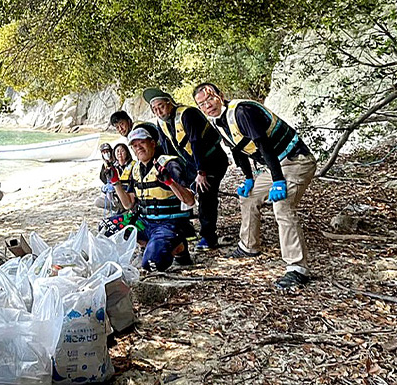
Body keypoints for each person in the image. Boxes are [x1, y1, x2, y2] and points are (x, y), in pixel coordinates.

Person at [193, 82, 317, 290]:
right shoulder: (217, 122)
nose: (208, 105)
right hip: (275, 165)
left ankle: (297, 268)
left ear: (221, 95)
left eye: (211, 98)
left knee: (282, 205)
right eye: (202, 104)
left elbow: (263, 145)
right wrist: (248, 178)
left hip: (296, 160)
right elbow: (238, 150)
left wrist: (277, 181)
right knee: (249, 196)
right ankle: (249, 246)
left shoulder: (242, 112)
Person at [143, 88, 229, 251]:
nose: (158, 111)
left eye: (161, 106)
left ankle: (209, 237)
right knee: (176, 184)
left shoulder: (187, 114)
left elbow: (196, 143)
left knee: (205, 193)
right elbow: (167, 149)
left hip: (212, 160)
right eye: (154, 109)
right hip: (191, 163)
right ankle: (185, 225)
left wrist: (201, 172)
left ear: (170, 103)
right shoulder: (161, 123)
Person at [114, 126, 197, 271]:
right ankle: (147, 244)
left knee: (152, 264)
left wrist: (170, 182)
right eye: (134, 146)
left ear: (152, 143)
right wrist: (115, 182)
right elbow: (128, 204)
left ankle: (179, 247)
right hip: (145, 222)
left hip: (168, 223)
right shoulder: (136, 168)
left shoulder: (169, 164)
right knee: (108, 228)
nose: (138, 148)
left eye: (142, 143)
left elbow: (189, 201)